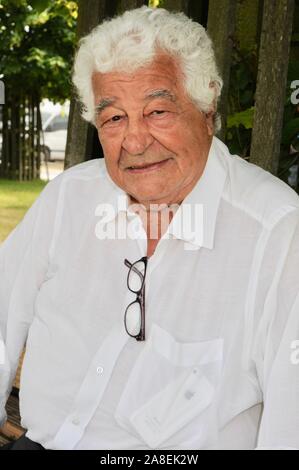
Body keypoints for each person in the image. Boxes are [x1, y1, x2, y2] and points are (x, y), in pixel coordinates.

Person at [0, 6, 299, 450]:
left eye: (157, 111)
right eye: (114, 118)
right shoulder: (70, 198)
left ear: (207, 104)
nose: (135, 142)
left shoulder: (276, 232)